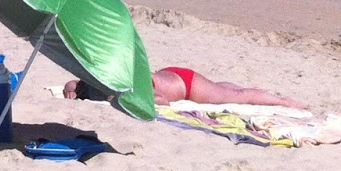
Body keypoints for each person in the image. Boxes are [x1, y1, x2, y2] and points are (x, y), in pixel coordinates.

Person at [65, 67, 307, 109]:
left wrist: (114, 98)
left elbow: (162, 101)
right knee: (223, 91)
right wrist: (71, 90)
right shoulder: (93, 82)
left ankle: (285, 101)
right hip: (170, 75)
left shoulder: (134, 86)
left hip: (185, 84)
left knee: (237, 97)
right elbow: (73, 83)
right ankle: (236, 87)